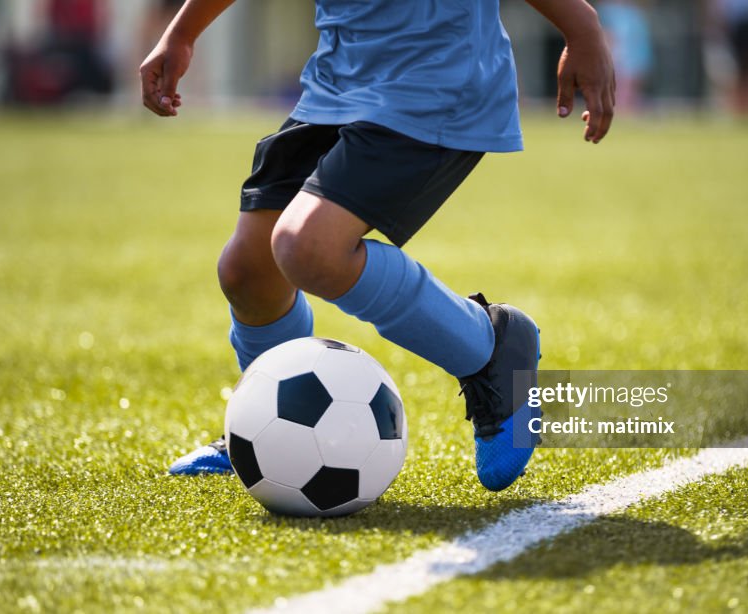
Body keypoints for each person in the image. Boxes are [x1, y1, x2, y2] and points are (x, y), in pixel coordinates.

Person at [140, 0, 615, 492]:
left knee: (308, 248)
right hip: (338, 83)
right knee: (247, 271)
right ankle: (267, 428)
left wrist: (581, 26)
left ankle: (490, 347)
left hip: (438, 82)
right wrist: (182, 33)